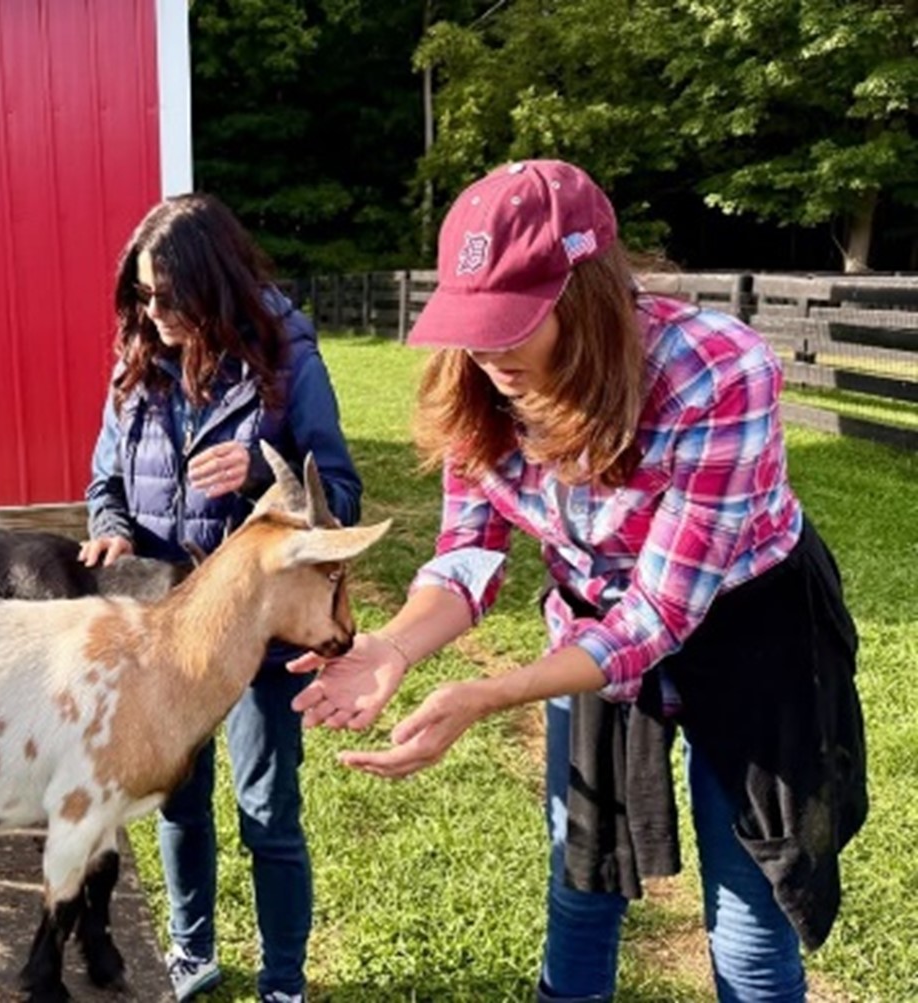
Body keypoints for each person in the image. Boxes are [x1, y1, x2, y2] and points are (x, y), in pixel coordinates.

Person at [288, 160, 867, 1003]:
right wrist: (393, 645)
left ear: (589, 291)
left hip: (753, 634)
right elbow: (468, 553)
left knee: (748, 918)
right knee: (582, 880)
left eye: (513, 322)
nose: (488, 352)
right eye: (473, 322)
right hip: (595, 622)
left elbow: (663, 612)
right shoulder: (477, 389)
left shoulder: (715, 374)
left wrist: (490, 693)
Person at [81, 192, 362, 1003]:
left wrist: (260, 474)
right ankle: (191, 950)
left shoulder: (288, 364)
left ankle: (282, 983)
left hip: (261, 638)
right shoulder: (135, 363)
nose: (154, 310)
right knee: (177, 800)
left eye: (170, 294)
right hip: (166, 636)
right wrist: (114, 531)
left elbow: (337, 492)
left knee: (267, 812)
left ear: (218, 282)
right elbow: (106, 479)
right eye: (142, 293)